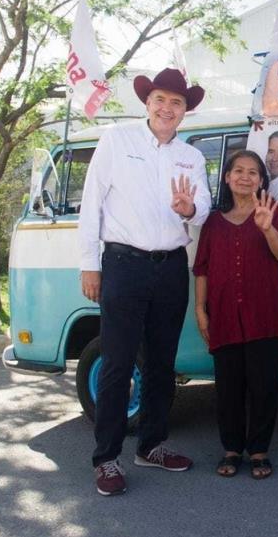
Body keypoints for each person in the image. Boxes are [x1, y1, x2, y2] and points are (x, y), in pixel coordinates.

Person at [78, 68, 211, 496]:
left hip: (171, 266)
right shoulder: (116, 139)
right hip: (123, 264)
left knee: (161, 363)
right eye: (160, 99)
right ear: (147, 103)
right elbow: (91, 203)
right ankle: (107, 458)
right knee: (118, 364)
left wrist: (189, 209)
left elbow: (204, 209)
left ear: (185, 112)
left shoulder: (192, 156)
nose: (167, 108)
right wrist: (89, 264)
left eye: (176, 103)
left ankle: (151, 445)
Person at [193, 150, 278, 480]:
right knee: (228, 388)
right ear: (226, 177)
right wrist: (200, 309)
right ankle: (231, 449)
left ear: (262, 180)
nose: (245, 176)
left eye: (253, 172)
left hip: (266, 315)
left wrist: (267, 229)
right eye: (238, 170)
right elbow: (202, 269)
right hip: (223, 316)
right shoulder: (212, 221)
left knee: (263, 388)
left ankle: (259, 451)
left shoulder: (276, 213)